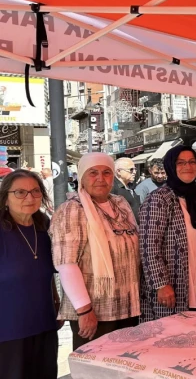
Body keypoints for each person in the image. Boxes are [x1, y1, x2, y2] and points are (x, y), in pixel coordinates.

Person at [50, 153, 140, 350]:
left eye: (106, 172)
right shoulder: (72, 210)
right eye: (93, 173)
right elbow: (66, 264)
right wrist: (84, 310)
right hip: (95, 311)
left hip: (128, 306)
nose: (100, 178)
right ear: (81, 177)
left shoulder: (120, 204)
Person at [138, 146, 196, 321]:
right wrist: (161, 284)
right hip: (171, 289)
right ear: (171, 166)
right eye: (181, 163)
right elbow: (148, 246)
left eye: (192, 162)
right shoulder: (159, 199)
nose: (188, 166)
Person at [0, 170, 60, 379]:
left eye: (35, 191)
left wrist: (56, 300)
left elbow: (47, 272)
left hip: (44, 322)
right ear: (5, 198)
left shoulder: (45, 227)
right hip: (8, 329)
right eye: (20, 192)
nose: (30, 197)